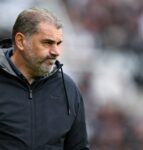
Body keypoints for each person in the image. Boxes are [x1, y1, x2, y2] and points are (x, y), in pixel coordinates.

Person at [0, 7, 89, 150]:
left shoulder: (68, 89)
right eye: (47, 43)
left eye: (58, 43)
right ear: (21, 41)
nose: (56, 52)